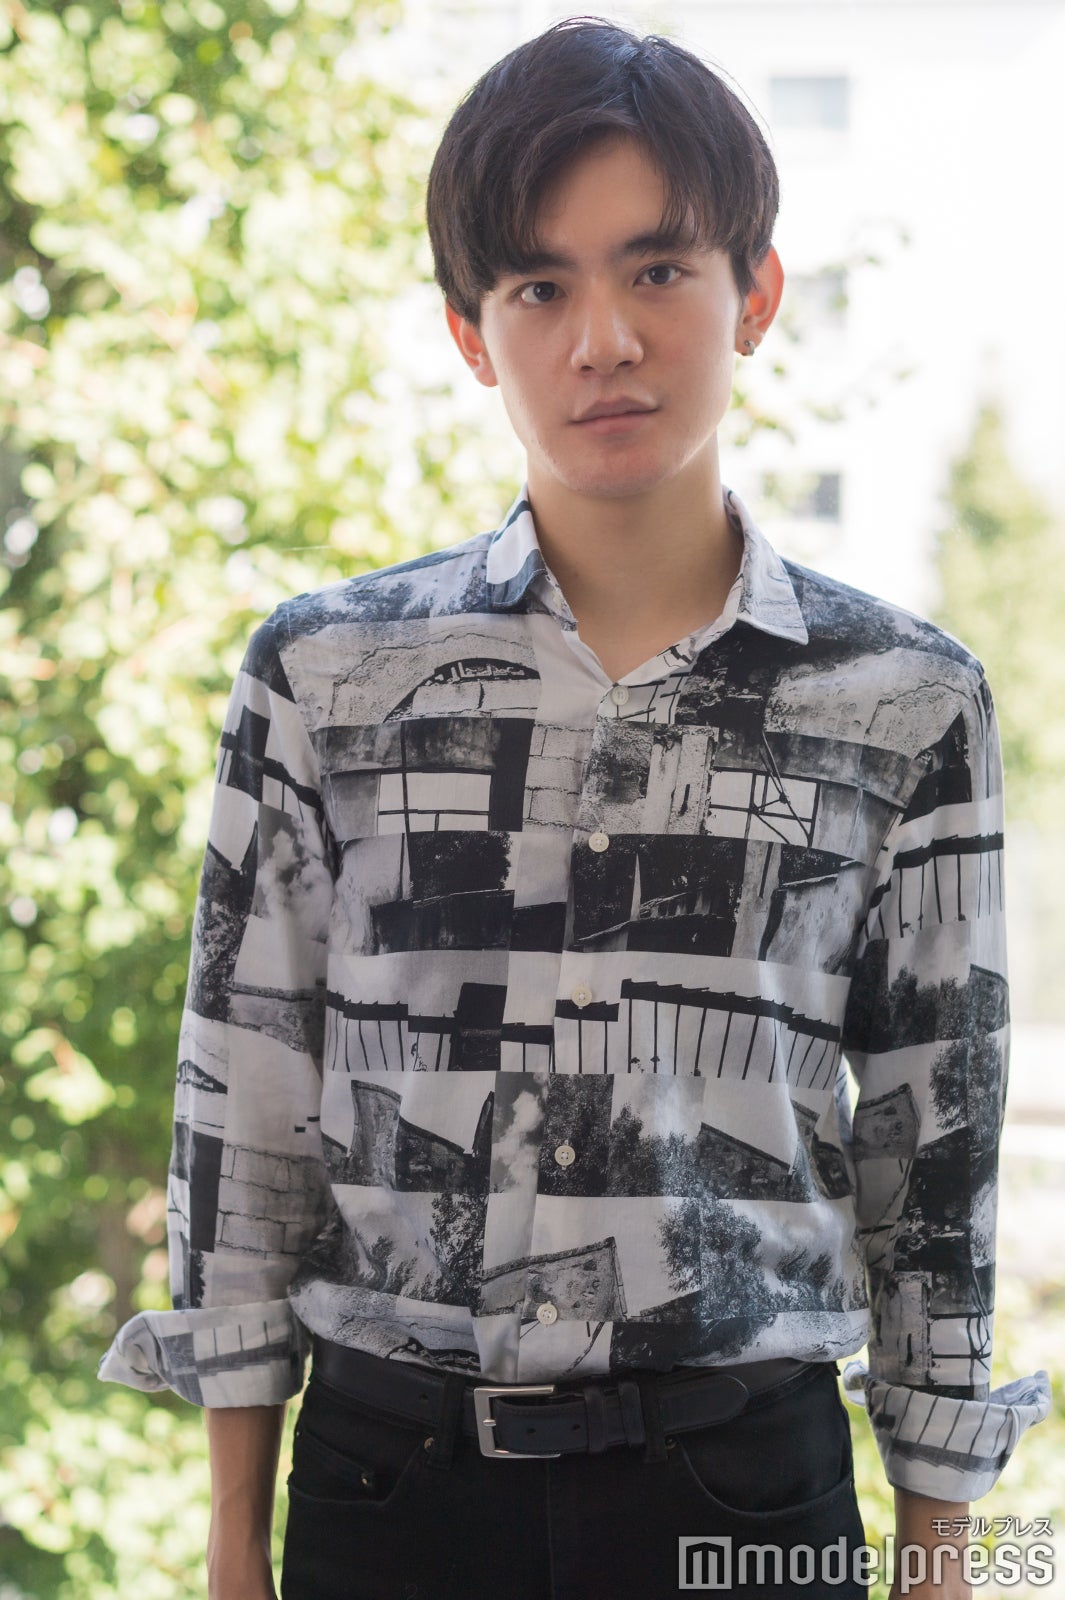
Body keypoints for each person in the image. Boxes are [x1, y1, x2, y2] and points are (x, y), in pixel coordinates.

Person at [98, 16, 1051, 1600]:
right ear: (472, 335)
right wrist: (231, 1543)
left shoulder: (901, 697)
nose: (603, 337)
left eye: (656, 269)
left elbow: (932, 1140)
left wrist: (940, 1553)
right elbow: (246, 1098)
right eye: (539, 288)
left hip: (745, 1493)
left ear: (754, 294)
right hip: (391, 1487)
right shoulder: (327, 676)